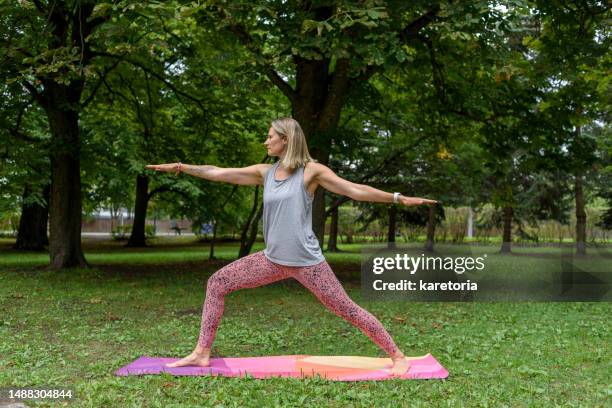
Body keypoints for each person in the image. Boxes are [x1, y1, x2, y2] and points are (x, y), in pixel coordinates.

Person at [145, 117, 437, 375]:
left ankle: (397, 356)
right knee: (217, 282)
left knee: (347, 309)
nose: (266, 140)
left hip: (308, 263)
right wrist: (181, 168)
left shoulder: (312, 172)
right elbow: (217, 172)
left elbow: (354, 190)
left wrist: (398, 198)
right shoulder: (265, 172)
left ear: (286, 139)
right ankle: (201, 353)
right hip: (271, 260)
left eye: (270, 136)